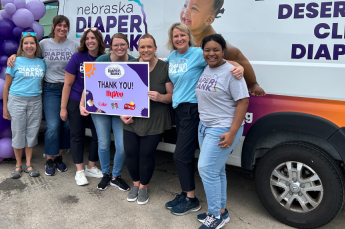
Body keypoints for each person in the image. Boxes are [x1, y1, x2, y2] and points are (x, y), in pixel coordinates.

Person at [164, 22, 243, 216]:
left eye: (182, 35)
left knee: (181, 156)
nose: (179, 39)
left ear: (188, 36)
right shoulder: (172, 57)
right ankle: (186, 193)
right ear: (171, 39)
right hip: (179, 110)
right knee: (186, 156)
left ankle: (191, 199)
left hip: (192, 110)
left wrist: (239, 66)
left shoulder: (199, 53)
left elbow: (221, 60)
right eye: (175, 36)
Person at [7, 15, 77, 176]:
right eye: (59, 25)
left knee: (66, 126)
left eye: (65, 26)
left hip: (69, 90)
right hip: (51, 90)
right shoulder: (44, 44)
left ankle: (59, 157)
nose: (62, 28)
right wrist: (14, 56)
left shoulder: (73, 45)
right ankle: (50, 159)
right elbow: (29, 55)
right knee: (53, 126)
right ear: (53, 27)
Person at [195, 34, 249, 229]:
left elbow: (243, 102)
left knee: (206, 169)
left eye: (216, 49)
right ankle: (221, 212)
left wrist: (233, 132)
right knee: (216, 170)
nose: (211, 53)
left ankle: (214, 215)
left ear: (223, 51)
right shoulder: (206, 68)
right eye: (207, 50)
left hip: (223, 127)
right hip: (205, 127)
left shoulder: (232, 72)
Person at [180, 0, 265, 97]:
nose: (185, 12)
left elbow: (236, 55)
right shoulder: (184, 39)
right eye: (185, 5)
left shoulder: (215, 42)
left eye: (193, 8)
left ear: (209, 19)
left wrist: (252, 84)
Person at [120, 34, 173, 205]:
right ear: (138, 49)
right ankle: (135, 184)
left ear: (155, 48)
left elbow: (171, 96)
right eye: (142, 47)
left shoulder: (164, 67)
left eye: (149, 47)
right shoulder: (131, 66)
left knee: (146, 154)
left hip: (155, 118)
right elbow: (121, 94)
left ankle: (144, 186)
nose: (146, 50)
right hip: (133, 118)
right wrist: (122, 113)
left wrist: (160, 97)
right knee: (130, 152)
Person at [90, 33, 135, 191]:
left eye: (122, 44)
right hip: (101, 109)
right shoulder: (101, 60)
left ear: (128, 45)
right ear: (111, 47)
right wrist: (84, 103)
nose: (119, 48)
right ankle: (106, 174)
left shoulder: (134, 62)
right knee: (103, 143)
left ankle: (116, 176)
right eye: (116, 45)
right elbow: (90, 84)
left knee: (122, 147)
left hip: (121, 111)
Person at [61, 27, 105, 186]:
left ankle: (91, 167)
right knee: (77, 136)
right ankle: (79, 171)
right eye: (87, 38)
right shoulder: (77, 57)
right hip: (75, 101)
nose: (90, 41)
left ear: (99, 40)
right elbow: (67, 84)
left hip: (99, 103)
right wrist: (63, 108)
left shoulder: (104, 58)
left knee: (98, 136)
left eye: (93, 38)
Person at [3, 32, 46, 179]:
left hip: (35, 101)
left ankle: (29, 164)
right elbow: (6, 87)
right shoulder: (14, 62)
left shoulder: (41, 63)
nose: (29, 46)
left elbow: (40, 84)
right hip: (17, 100)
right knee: (18, 131)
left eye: (32, 43)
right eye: (26, 43)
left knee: (32, 132)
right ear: (22, 46)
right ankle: (18, 164)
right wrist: (5, 107)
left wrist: (40, 105)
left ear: (36, 46)